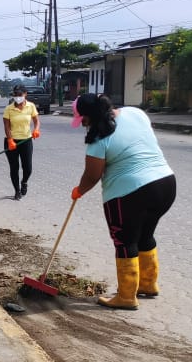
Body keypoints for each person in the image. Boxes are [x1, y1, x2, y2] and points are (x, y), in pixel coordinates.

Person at [70, 93, 176, 310]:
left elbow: (92, 175)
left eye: (83, 120)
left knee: (125, 241)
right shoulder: (135, 113)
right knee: (145, 235)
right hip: (165, 184)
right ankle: (148, 284)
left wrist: (78, 191)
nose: (83, 124)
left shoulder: (98, 139)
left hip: (130, 194)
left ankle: (126, 296)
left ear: (90, 116)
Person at [2, 85, 41, 200]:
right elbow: (6, 126)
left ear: (25, 94)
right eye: (15, 95)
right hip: (11, 141)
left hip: (26, 140)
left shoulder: (31, 106)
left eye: (20, 95)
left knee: (28, 168)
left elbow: (36, 121)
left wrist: (36, 130)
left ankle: (24, 182)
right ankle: (17, 191)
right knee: (14, 167)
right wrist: (10, 140)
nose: (17, 97)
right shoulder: (9, 109)